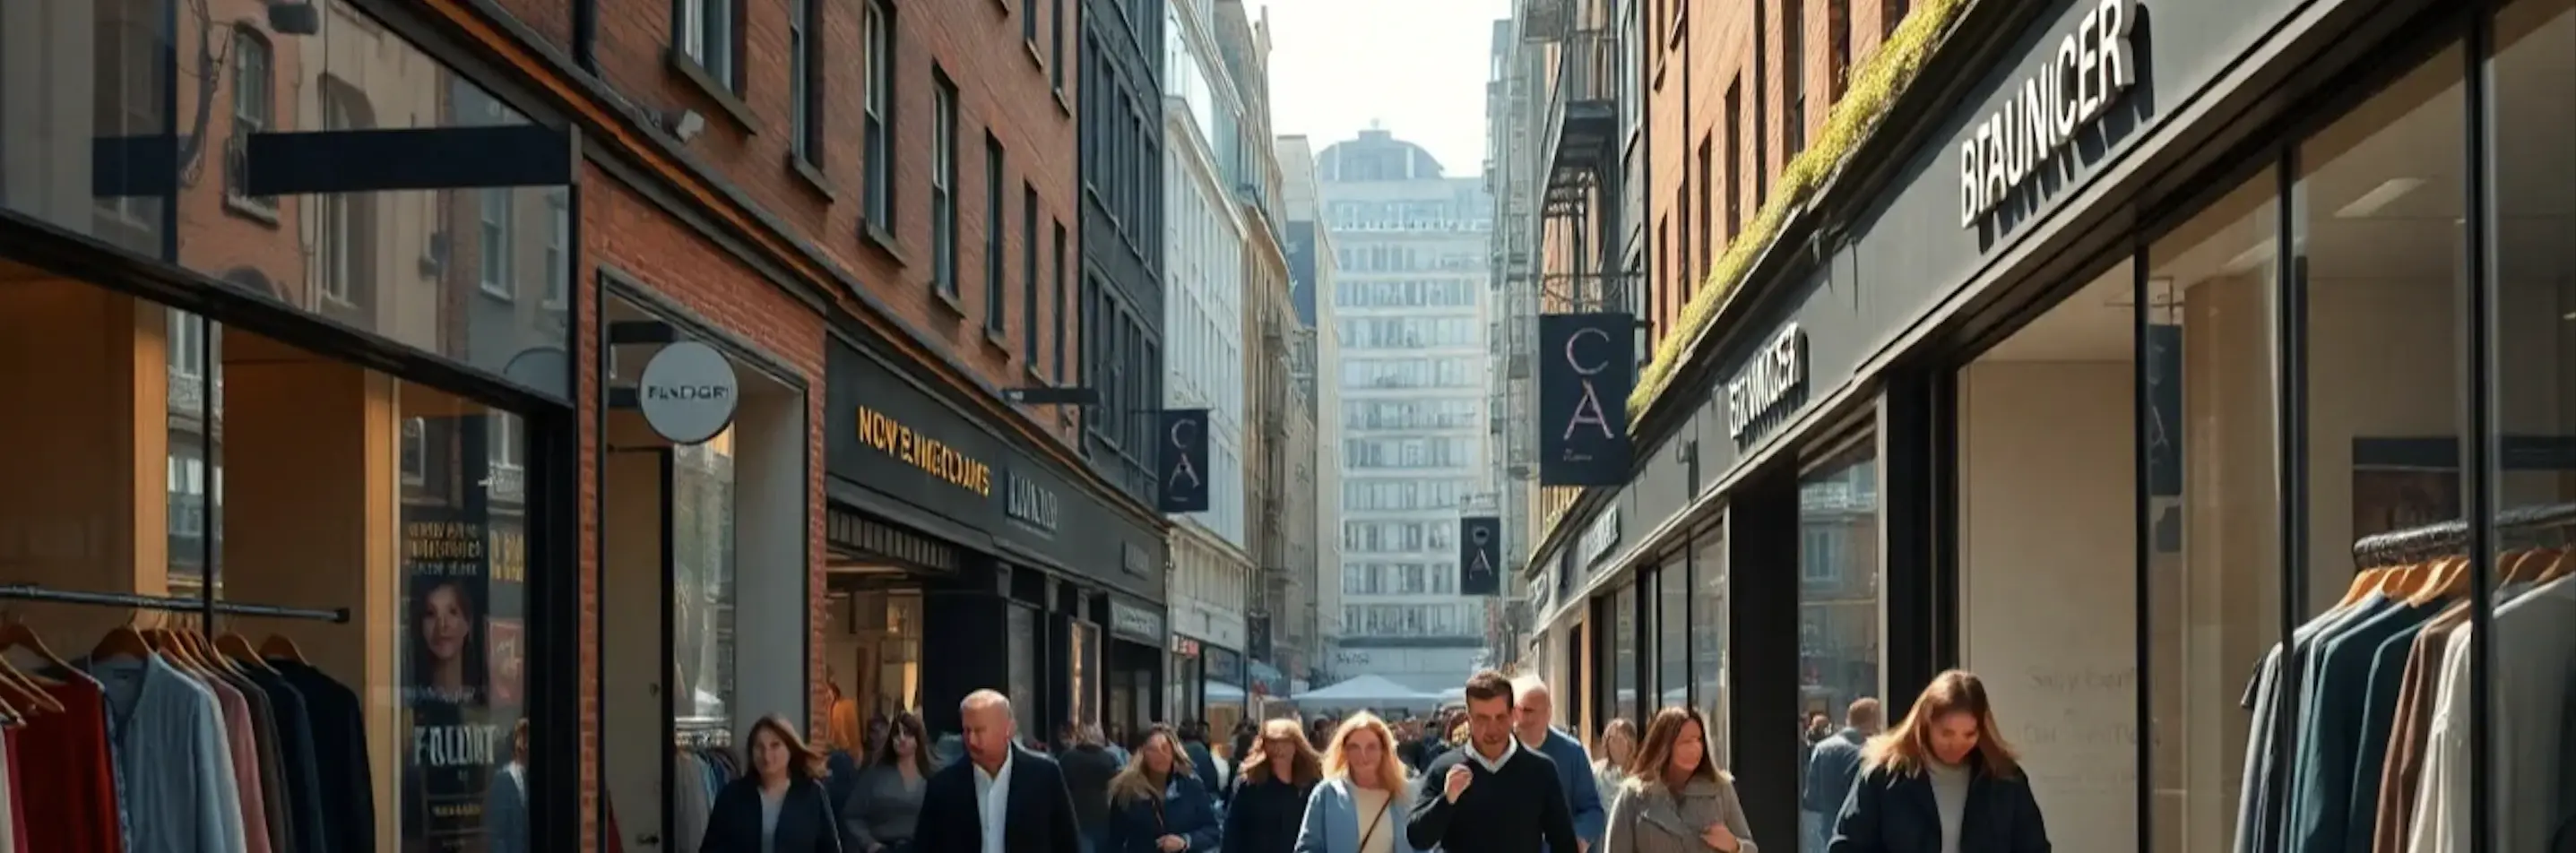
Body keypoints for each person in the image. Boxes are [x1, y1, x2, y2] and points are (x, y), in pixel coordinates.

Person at [1827, 671, 2050, 853]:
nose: (1957, 744)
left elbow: (2033, 847)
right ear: (1925, 724)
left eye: (1969, 734)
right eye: (1947, 733)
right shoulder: (1884, 776)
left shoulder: (2005, 779)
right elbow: (1847, 846)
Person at [1405, 670, 1580, 853]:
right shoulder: (1445, 769)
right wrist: (1447, 800)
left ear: (1513, 715)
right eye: (1482, 719)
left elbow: (1564, 843)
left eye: (1500, 717)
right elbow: (1417, 838)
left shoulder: (1540, 770)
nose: (1492, 728)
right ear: (1469, 719)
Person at [915, 691, 1085, 853]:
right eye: (967, 731)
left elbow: (1067, 842)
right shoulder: (944, 786)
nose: (971, 740)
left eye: (980, 731)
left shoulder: (1044, 776)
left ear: (1008, 729)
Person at [1601, 707, 1756, 853]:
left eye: (1698, 740)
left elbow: (1751, 848)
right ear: (1665, 746)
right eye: (1686, 742)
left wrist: (1735, 846)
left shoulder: (1720, 789)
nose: (1695, 748)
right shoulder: (1633, 795)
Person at [699, 714, 846, 853]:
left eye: (775, 746)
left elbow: (830, 849)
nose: (766, 755)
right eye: (759, 747)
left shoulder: (812, 794)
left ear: (790, 749)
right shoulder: (732, 795)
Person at [1293, 712, 1422, 853]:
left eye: (1371, 747)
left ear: (1384, 750)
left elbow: (1422, 847)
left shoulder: (1406, 794)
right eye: (1354, 747)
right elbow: (1307, 848)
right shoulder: (1327, 794)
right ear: (1344, 751)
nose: (1363, 756)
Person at [1513, 676, 1607, 853]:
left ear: (1548, 713)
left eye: (1529, 711)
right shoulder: (1501, 751)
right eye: (1519, 710)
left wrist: (1579, 837)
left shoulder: (1571, 753)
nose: (1523, 718)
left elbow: (1592, 811)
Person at [1102, 724, 1223, 853]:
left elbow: (1212, 831)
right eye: (1153, 749)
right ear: (1143, 754)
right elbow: (1114, 841)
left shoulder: (1191, 787)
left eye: (1165, 748)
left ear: (1173, 753)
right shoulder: (1128, 792)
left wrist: (1185, 841)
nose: (1160, 755)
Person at [1224, 719, 1323, 853]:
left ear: (1297, 745)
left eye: (1284, 742)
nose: (1278, 748)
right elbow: (1232, 832)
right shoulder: (1250, 783)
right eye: (1272, 742)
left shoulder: (1311, 785)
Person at [844, 711, 934, 853]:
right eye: (897, 734)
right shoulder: (875, 775)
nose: (902, 739)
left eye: (907, 733)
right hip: (883, 848)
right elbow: (852, 815)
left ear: (918, 739)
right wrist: (870, 845)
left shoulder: (930, 777)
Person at [1802, 699, 1880, 853]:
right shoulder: (1869, 752)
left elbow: (1811, 797)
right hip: (1857, 834)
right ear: (1873, 721)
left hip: (1825, 829)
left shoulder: (1822, 748)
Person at [1058, 725, 1124, 853]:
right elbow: (1117, 788)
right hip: (1103, 816)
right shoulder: (1109, 759)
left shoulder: (1067, 758)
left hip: (1077, 815)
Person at [1592, 719, 1638, 812]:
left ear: (1631, 745)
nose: (1617, 746)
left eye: (1621, 740)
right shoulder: (1596, 772)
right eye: (1613, 740)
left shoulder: (1639, 774)